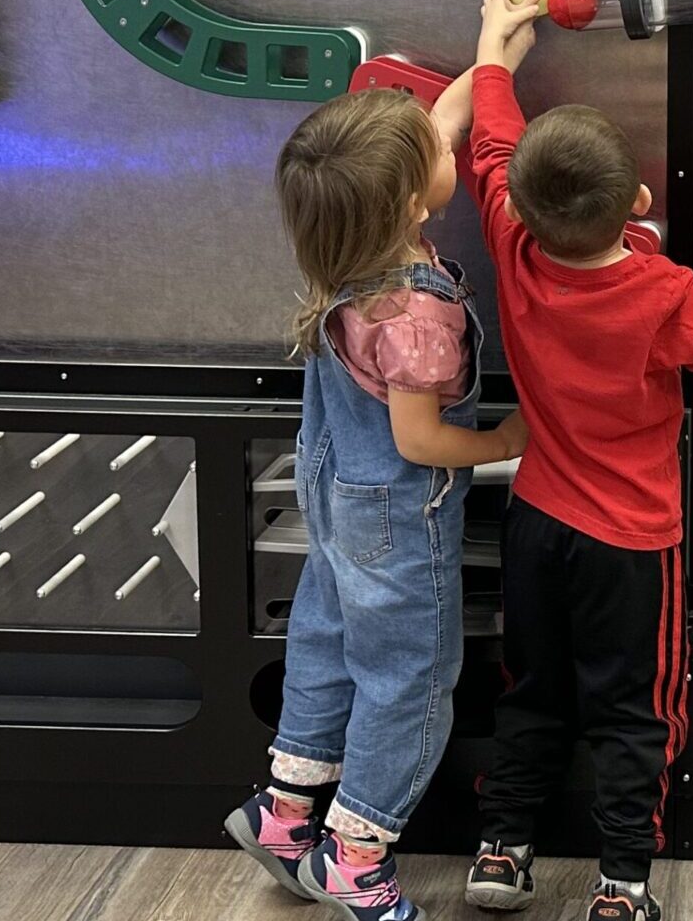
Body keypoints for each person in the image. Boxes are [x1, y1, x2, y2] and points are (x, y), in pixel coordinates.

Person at [456, 0, 693, 921]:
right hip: (631, 547)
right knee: (635, 711)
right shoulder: (665, 295)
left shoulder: (511, 244)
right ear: (641, 200)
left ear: (521, 205)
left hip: (536, 527)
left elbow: (491, 140)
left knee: (529, 690)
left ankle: (501, 850)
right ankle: (621, 884)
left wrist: (495, 47)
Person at [225, 81, 529, 921]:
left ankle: (286, 815)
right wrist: (501, 443)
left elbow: (433, 128)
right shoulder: (417, 313)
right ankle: (356, 859)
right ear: (408, 196)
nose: (451, 150)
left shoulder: (346, 247)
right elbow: (421, 441)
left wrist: (492, 52)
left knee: (325, 646)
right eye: (440, 155)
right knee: (408, 678)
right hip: (397, 521)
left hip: (331, 499)